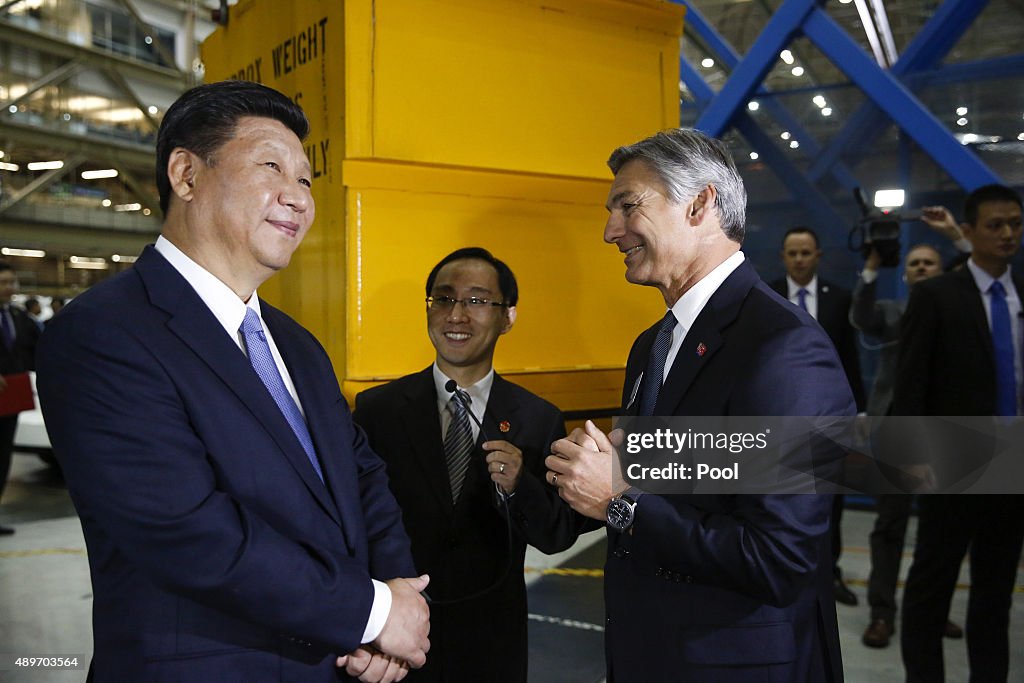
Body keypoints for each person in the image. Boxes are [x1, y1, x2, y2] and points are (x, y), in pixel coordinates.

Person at [36, 81, 429, 683]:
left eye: (305, 179)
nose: (297, 197)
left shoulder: (295, 342)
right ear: (187, 175)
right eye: (272, 164)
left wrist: (395, 595)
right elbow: (186, 530)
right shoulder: (102, 335)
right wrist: (372, 614)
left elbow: (361, 476)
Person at [545, 128, 853, 682]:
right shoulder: (652, 346)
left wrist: (619, 499)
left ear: (701, 203)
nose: (610, 231)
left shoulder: (784, 349)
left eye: (627, 206)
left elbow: (778, 558)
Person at [354, 247, 584, 683]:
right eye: (443, 299)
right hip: (395, 639)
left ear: (507, 317)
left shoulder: (538, 418)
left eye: (477, 301)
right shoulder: (377, 410)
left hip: (491, 643)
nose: (456, 314)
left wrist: (521, 487)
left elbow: (556, 535)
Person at [892, 184, 1024, 682]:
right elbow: (911, 386)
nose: (1008, 233)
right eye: (995, 225)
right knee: (932, 588)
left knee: (994, 593)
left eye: (1015, 223)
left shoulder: (1020, 294)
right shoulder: (936, 296)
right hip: (953, 462)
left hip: (1013, 465)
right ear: (968, 232)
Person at [851, 213, 968, 649]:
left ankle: (932, 610)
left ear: (945, 272)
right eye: (914, 264)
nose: (920, 269)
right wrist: (871, 266)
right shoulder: (893, 312)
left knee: (944, 527)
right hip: (898, 432)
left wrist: (956, 235)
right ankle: (882, 613)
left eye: (929, 264)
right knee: (890, 525)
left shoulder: (960, 312)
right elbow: (861, 315)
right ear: (905, 272)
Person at [770, 226, 865, 607]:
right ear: (783, 257)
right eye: (792, 253)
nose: (799, 259)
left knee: (831, 500)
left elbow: (850, 360)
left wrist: (859, 412)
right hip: (780, 423)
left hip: (829, 420)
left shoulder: (839, 300)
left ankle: (829, 573)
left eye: (805, 252)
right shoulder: (766, 296)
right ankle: (787, 572)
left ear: (818, 256)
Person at [0, 262, 41, 536]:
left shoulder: (17, 316)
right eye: (4, 282)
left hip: (9, 400)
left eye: (13, 282)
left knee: (2, 457)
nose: (10, 288)